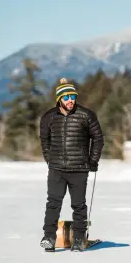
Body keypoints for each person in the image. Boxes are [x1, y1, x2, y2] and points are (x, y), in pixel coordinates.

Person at [38, 78, 104, 252]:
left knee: (79, 205)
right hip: (56, 169)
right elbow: (44, 140)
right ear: (59, 98)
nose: (70, 100)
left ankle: (78, 239)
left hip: (79, 168)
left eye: (73, 96)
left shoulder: (86, 115)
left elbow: (98, 139)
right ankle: (49, 238)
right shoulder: (49, 117)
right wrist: (49, 159)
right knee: (53, 203)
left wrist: (93, 160)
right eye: (66, 97)